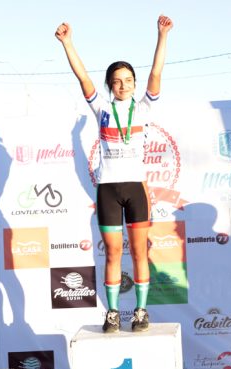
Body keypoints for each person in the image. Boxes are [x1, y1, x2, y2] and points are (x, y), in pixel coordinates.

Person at [55, 15, 173, 333]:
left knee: (138, 251)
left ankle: (141, 311)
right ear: (110, 85)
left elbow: (157, 72)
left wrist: (161, 36)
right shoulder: (102, 109)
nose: (123, 86)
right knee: (113, 254)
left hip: (136, 189)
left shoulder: (145, 107)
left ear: (134, 83)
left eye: (128, 80)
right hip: (108, 188)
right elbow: (83, 79)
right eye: (117, 81)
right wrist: (68, 43)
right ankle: (112, 314)